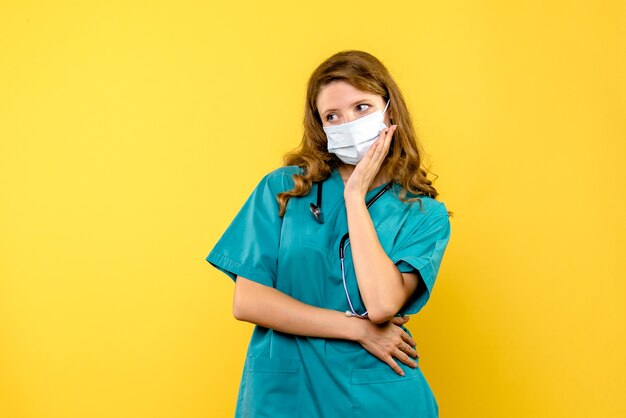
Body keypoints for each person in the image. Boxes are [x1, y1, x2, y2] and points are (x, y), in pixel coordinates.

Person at [206, 50, 452, 418]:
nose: (347, 122)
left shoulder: (423, 214)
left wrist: (355, 197)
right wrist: (358, 330)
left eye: (362, 107)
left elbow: (383, 305)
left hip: (377, 398)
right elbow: (249, 302)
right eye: (332, 116)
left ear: (390, 111)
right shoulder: (284, 189)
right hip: (285, 394)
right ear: (321, 128)